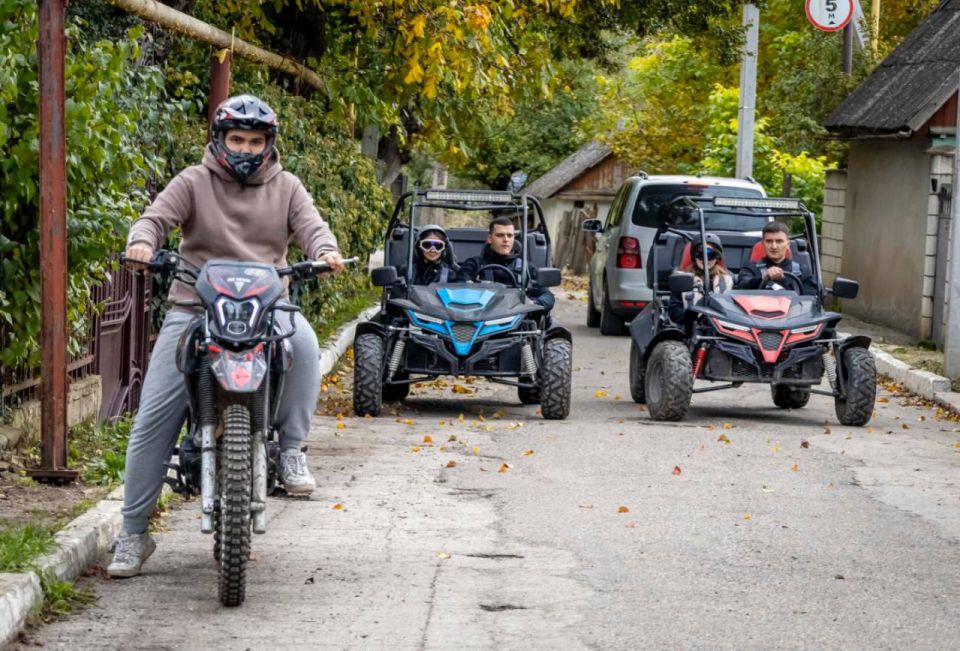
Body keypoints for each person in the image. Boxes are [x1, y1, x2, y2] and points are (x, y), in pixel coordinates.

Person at [110, 94, 345, 578]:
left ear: (269, 145)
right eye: (237, 139)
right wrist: (142, 241)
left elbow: (313, 230)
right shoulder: (193, 181)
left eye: (256, 141)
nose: (246, 149)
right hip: (195, 307)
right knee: (154, 415)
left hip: (268, 306)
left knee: (302, 341)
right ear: (219, 140)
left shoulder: (288, 186)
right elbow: (155, 219)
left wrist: (327, 253)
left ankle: (291, 450)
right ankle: (132, 534)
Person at [458, 216, 555, 313]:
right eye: (500, 235)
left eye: (509, 235)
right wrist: (469, 287)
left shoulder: (526, 268)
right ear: (490, 238)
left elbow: (548, 296)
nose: (506, 239)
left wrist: (533, 304)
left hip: (517, 321)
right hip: (480, 317)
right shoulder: (474, 264)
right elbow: (456, 285)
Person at [668, 233, 734, 323]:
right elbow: (674, 312)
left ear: (717, 257)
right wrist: (689, 315)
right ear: (694, 257)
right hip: (692, 330)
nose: (705, 260)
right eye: (701, 254)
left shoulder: (728, 279)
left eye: (710, 255)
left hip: (722, 330)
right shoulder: (683, 278)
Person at [736, 221, 817, 295]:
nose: (774, 246)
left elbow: (811, 299)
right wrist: (763, 278)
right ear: (763, 243)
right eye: (769, 241)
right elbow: (742, 287)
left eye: (779, 241)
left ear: (788, 244)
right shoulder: (751, 268)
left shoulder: (802, 271)